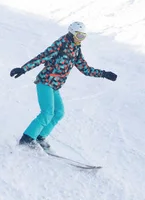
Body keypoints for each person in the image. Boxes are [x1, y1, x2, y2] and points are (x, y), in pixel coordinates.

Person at [10, 22, 117, 150]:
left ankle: (39, 137)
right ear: (72, 33)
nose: (80, 39)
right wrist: (23, 69)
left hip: (55, 86)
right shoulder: (60, 44)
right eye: (79, 36)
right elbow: (42, 57)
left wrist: (104, 74)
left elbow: (85, 69)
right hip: (45, 81)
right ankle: (26, 139)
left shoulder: (76, 49)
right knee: (47, 112)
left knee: (59, 113)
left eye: (83, 36)